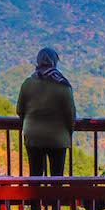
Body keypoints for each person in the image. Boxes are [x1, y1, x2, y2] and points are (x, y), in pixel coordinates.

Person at [16, 48, 76, 177]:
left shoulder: (28, 83)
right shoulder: (63, 85)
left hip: (33, 137)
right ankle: (54, 191)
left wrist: (26, 127)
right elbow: (70, 114)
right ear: (54, 62)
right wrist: (69, 132)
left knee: (35, 175)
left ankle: (35, 191)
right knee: (56, 176)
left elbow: (20, 110)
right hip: (58, 138)